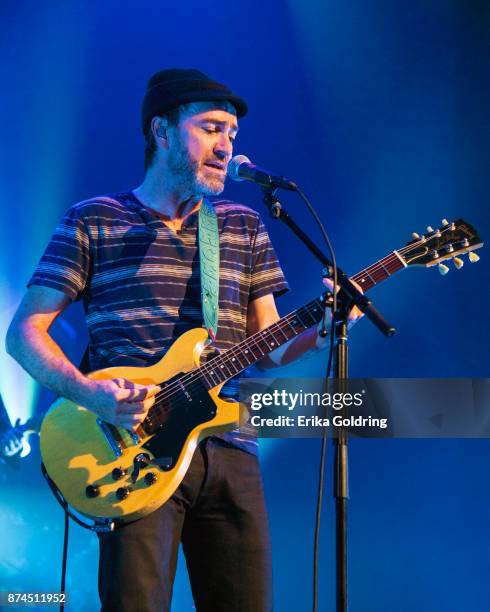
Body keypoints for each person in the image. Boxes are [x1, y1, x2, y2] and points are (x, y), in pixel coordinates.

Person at [6, 68, 361, 611]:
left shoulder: (242, 226)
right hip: (132, 451)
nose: (227, 146)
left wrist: (323, 330)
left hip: (232, 446)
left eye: (234, 134)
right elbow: (23, 333)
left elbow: (265, 348)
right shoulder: (94, 220)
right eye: (213, 127)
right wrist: (90, 394)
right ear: (162, 130)